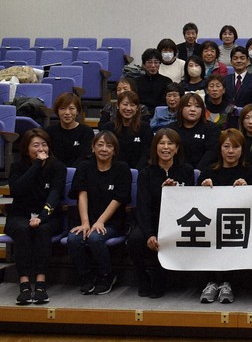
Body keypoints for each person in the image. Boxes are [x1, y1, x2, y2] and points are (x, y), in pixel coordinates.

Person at [128, 128, 195, 298]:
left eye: (170, 143)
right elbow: (142, 206)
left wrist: (174, 192)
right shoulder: (146, 173)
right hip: (151, 220)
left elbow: (190, 203)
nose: (166, 147)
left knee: (168, 238)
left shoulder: (186, 171)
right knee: (135, 239)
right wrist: (150, 233)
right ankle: (143, 279)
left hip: (178, 222)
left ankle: (160, 280)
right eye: (161, 143)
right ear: (155, 147)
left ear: (177, 148)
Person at [197, 129, 252, 304]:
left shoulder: (251, 173)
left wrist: (248, 189)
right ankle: (211, 282)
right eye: (226, 146)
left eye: (236, 147)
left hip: (242, 226)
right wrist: (203, 189)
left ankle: (227, 283)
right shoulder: (208, 172)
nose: (231, 151)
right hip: (212, 225)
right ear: (220, 149)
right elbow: (195, 203)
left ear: (242, 149)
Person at [67, 131, 132, 296]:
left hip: (113, 222)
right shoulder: (84, 167)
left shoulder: (122, 168)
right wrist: (85, 223)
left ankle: (106, 275)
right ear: (93, 147)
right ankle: (86, 276)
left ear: (114, 150)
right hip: (87, 219)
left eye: (109, 146)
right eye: (100, 145)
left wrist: (101, 221)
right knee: (74, 238)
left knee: (95, 237)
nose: (104, 149)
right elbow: (81, 195)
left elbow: (118, 199)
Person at [7, 129, 66, 305]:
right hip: (20, 214)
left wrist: (42, 216)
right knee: (22, 229)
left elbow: (55, 194)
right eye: (36, 145)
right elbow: (17, 190)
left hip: (47, 215)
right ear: (26, 149)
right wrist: (36, 166)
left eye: (44, 144)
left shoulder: (57, 167)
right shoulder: (17, 167)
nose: (41, 149)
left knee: (43, 230)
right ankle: (24, 284)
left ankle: (40, 283)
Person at [100, 90, 153, 169]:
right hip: (114, 171)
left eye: (132, 105)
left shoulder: (145, 128)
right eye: (125, 104)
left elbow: (147, 154)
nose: (128, 108)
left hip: (138, 172)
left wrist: (136, 171)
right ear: (118, 106)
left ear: (137, 108)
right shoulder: (108, 128)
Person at [168, 92, 221, 170]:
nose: (193, 109)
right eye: (188, 105)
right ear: (181, 108)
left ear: (202, 110)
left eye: (197, 106)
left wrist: (197, 171)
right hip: (177, 171)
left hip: (205, 172)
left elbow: (212, 153)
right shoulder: (171, 129)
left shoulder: (211, 128)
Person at [45, 92, 94, 167]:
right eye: (62, 108)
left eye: (71, 108)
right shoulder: (49, 132)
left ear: (77, 111)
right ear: (57, 111)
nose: (67, 113)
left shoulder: (86, 131)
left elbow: (85, 157)